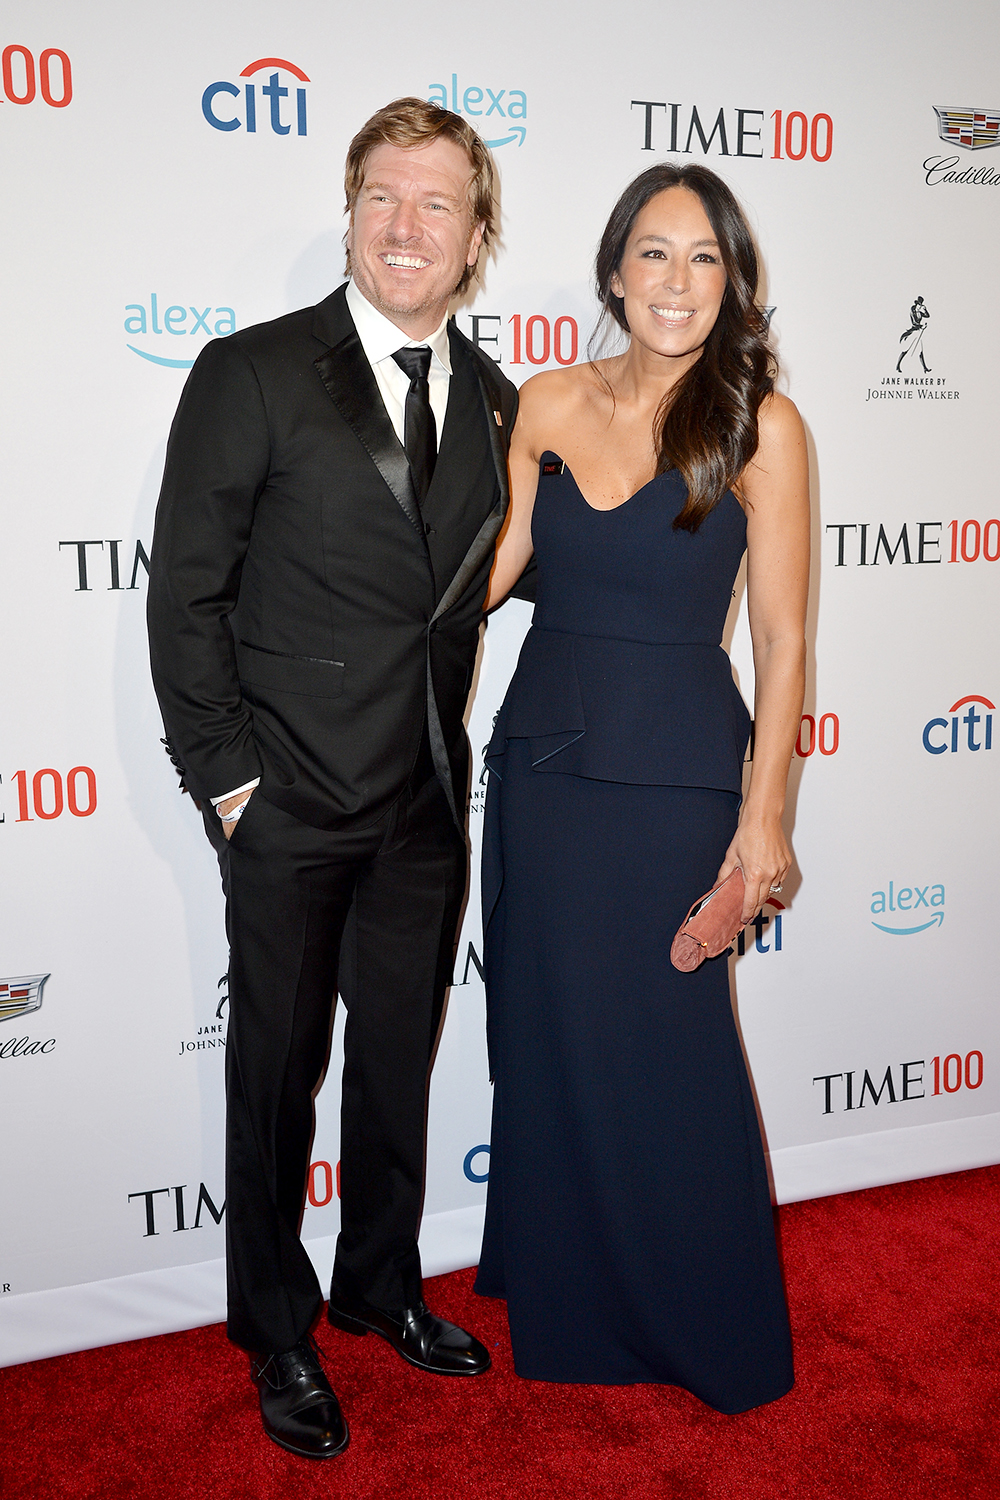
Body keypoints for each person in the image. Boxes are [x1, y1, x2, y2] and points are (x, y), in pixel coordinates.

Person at [146, 98, 519, 1459]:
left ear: (478, 238)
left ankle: (376, 1289)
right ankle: (277, 1328)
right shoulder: (251, 374)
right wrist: (230, 785)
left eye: (437, 204)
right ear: (352, 212)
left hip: (424, 800)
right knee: (276, 1080)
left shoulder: (493, 400)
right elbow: (184, 595)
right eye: (382, 197)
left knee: (399, 1075)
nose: (405, 226)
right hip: (288, 803)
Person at [474, 162, 808, 1414]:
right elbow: (491, 571)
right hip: (544, 768)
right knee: (549, 1038)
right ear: (614, 270)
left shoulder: (761, 423)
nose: (677, 283)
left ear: (733, 282)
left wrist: (762, 822)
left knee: (672, 1047)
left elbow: (782, 642)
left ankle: (703, 1323)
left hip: (676, 776)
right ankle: (573, 1302)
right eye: (654, 255)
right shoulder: (547, 400)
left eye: (704, 259)